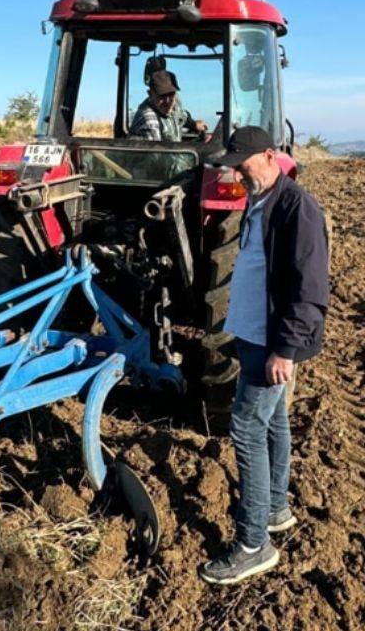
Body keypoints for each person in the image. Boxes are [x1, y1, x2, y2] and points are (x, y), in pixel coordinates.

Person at [199, 125, 330, 586]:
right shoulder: (257, 200)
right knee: (274, 422)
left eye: (243, 161)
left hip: (274, 342)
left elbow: (309, 289)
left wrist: (286, 350)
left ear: (271, 155)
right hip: (255, 335)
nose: (236, 169)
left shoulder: (298, 207)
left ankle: (253, 544)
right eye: (232, 162)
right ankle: (274, 508)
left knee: (245, 427)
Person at [128, 70, 207, 142]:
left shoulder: (174, 103)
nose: (167, 101)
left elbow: (181, 115)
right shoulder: (149, 121)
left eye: (171, 94)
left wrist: (194, 124)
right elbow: (159, 156)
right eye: (162, 96)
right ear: (150, 94)